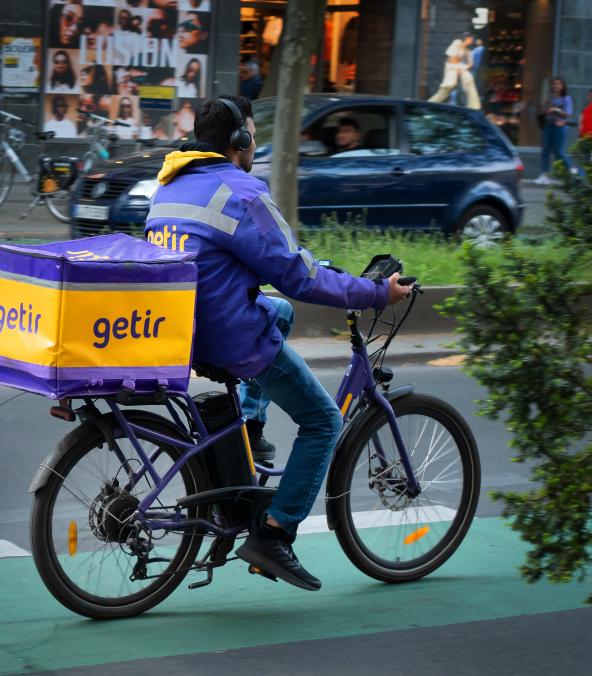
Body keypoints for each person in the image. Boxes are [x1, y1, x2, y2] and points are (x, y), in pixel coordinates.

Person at [144, 96, 410, 591]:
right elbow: (296, 275)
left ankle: (251, 424)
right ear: (240, 141)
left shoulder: (169, 185)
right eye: (250, 134)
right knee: (323, 420)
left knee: (279, 312)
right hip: (230, 336)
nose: (253, 142)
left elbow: (255, 265)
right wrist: (375, 292)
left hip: (183, 328)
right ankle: (274, 533)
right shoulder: (240, 192)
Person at [428, 32, 481, 110]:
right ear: (467, 38)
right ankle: (431, 103)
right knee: (449, 85)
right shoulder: (457, 43)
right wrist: (459, 67)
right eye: (470, 38)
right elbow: (451, 58)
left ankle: (474, 107)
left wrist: (463, 68)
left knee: (469, 79)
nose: (472, 40)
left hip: (461, 67)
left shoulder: (468, 50)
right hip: (451, 67)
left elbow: (471, 64)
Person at [535, 77, 573, 185]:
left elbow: (568, 114)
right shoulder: (549, 98)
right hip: (548, 126)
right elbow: (543, 110)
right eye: (554, 84)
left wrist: (556, 109)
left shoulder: (566, 98)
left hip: (559, 126)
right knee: (545, 151)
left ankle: (571, 171)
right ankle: (544, 175)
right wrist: (544, 108)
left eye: (558, 84)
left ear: (562, 86)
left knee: (559, 151)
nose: (555, 86)